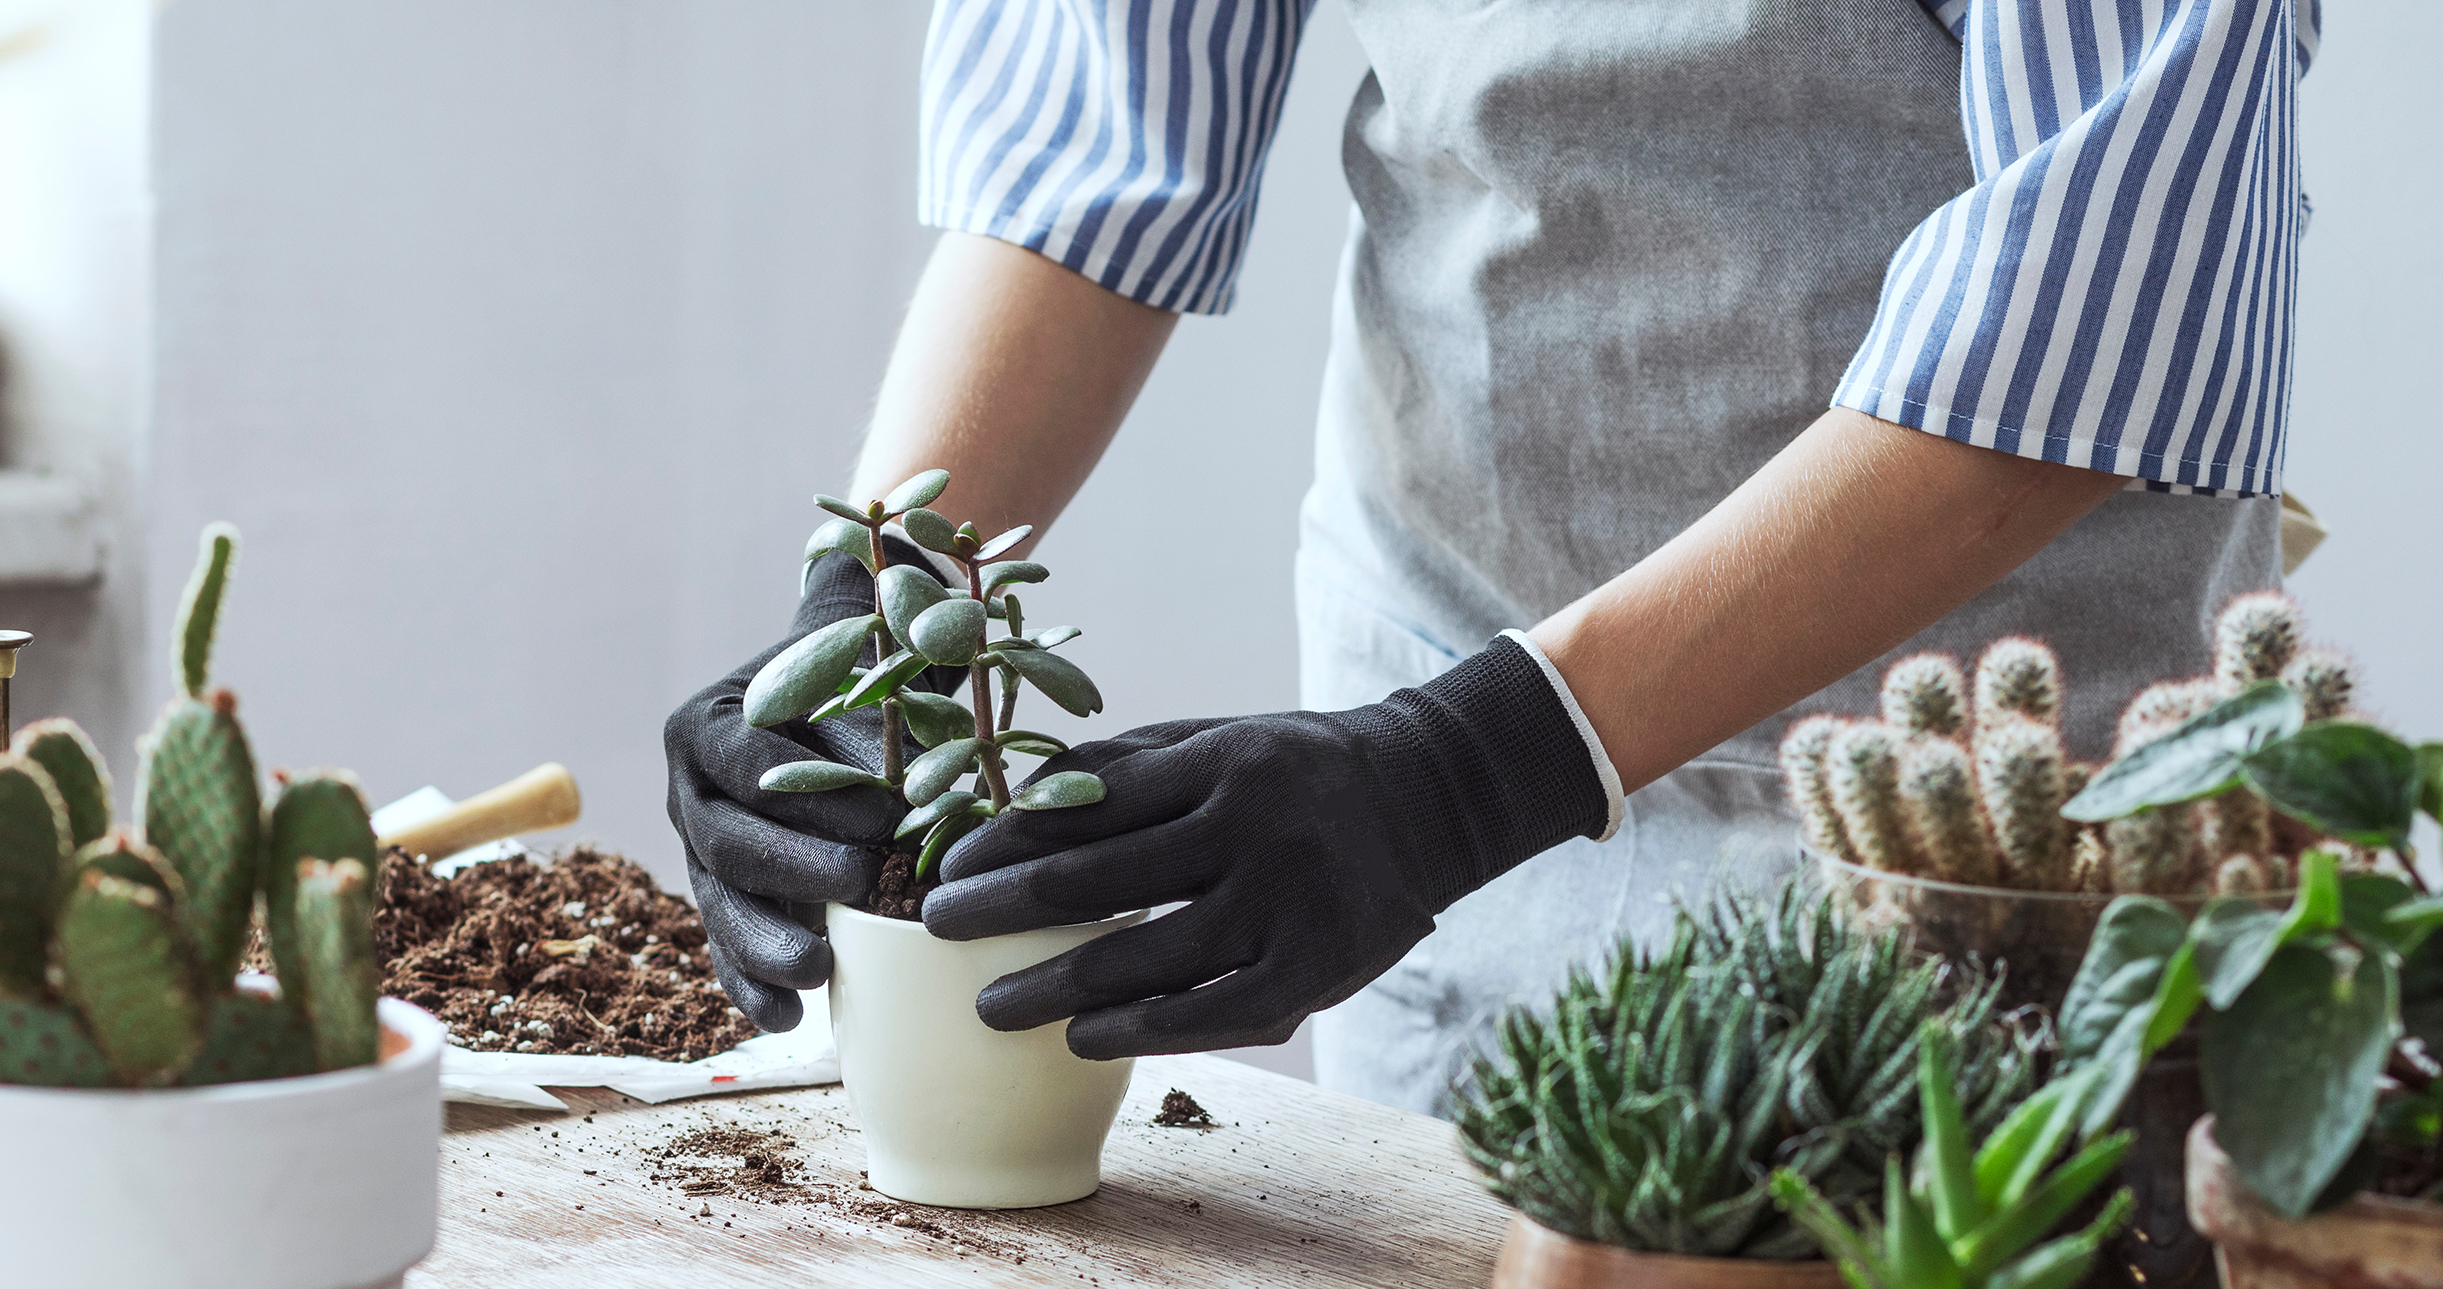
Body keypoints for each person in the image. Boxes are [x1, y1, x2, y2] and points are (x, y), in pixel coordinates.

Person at [666, 0, 2306, 1113]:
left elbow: (2101, 308)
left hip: (1981, 808)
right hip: (1440, 695)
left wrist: (1468, 772)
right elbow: (1096, 117)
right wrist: (874, 608)